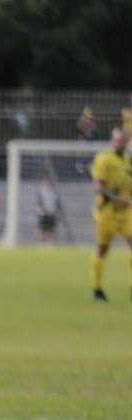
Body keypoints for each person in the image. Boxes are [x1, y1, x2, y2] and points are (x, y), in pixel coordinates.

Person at [89, 127, 132, 301]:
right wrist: (116, 198)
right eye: (116, 140)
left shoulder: (128, 161)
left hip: (127, 211)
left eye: (122, 140)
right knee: (102, 249)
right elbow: (98, 186)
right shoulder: (104, 158)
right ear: (112, 140)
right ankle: (97, 289)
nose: (119, 143)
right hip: (107, 211)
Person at [36, 176, 61, 245]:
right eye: (46, 183)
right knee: (42, 229)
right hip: (43, 214)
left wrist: (55, 211)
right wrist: (46, 211)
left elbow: (57, 203)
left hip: (52, 214)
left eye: (49, 183)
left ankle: (51, 244)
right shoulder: (41, 192)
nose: (48, 184)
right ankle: (41, 243)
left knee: (52, 229)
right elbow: (40, 202)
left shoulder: (54, 192)